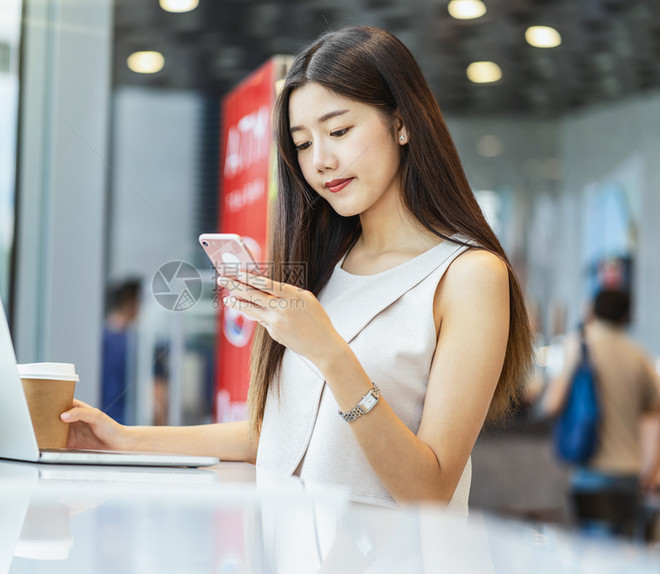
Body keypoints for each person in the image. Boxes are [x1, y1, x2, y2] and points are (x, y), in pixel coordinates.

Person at [62, 26, 533, 511]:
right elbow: (275, 438)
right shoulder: (323, 265)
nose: (321, 161)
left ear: (401, 123)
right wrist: (122, 439)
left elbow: (429, 489)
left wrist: (330, 352)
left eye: (340, 131)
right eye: (303, 144)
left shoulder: (470, 275)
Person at [540, 289, 660, 535]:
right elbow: (654, 416)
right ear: (626, 317)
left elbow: (551, 405)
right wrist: (652, 469)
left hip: (590, 470)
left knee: (594, 555)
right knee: (622, 554)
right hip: (630, 473)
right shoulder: (640, 356)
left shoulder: (579, 346)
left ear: (592, 310)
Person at [100, 279, 141, 425]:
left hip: (102, 418)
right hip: (126, 422)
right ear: (130, 303)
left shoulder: (99, 338)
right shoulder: (135, 343)